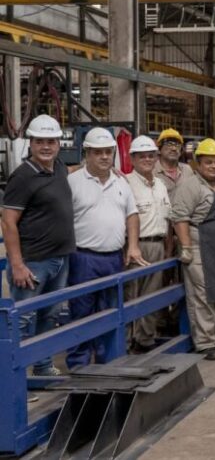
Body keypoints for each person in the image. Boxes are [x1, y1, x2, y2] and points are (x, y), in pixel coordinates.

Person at [1, 115, 75, 376]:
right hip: (33, 262)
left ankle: (43, 367)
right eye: (40, 141)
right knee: (22, 319)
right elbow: (8, 222)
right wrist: (17, 264)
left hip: (60, 259)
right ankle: (12, 379)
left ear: (59, 144)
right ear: (30, 143)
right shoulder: (22, 177)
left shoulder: (60, 168)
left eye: (51, 141)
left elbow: (73, 173)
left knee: (49, 315)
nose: (46, 146)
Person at [67, 127, 144, 369]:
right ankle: (79, 364)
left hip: (113, 259)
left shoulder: (121, 182)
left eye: (108, 152)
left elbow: (132, 215)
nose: (104, 157)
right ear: (87, 153)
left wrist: (133, 246)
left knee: (110, 311)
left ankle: (107, 361)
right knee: (81, 313)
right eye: (97, 152)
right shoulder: (72, 182)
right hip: (83, 258)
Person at [170, 138, 215, 361]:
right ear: (198, 163)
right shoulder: (190, 186)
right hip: (201, 248)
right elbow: (180, 217)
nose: (213, 166)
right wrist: (186, 247)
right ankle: (205, 342)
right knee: (203, 296)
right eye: (208, 162)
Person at [125, 136, 172, 353]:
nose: (147, 159)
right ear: (132, 159)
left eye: (151, 156)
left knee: (152, 296)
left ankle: (144, 340)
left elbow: (168, 219)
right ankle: (125, 342)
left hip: (158, 245)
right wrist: (129, 247)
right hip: (135, 247)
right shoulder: (126, 183)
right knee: (131, 296)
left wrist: (168, 249)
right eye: (141, 156)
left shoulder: (160, 185)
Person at [154, 128, 194, 201]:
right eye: (169, 144)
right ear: (159, 149)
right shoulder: (152, 171)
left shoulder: (187, 170)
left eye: (177, 145)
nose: (174, 148)